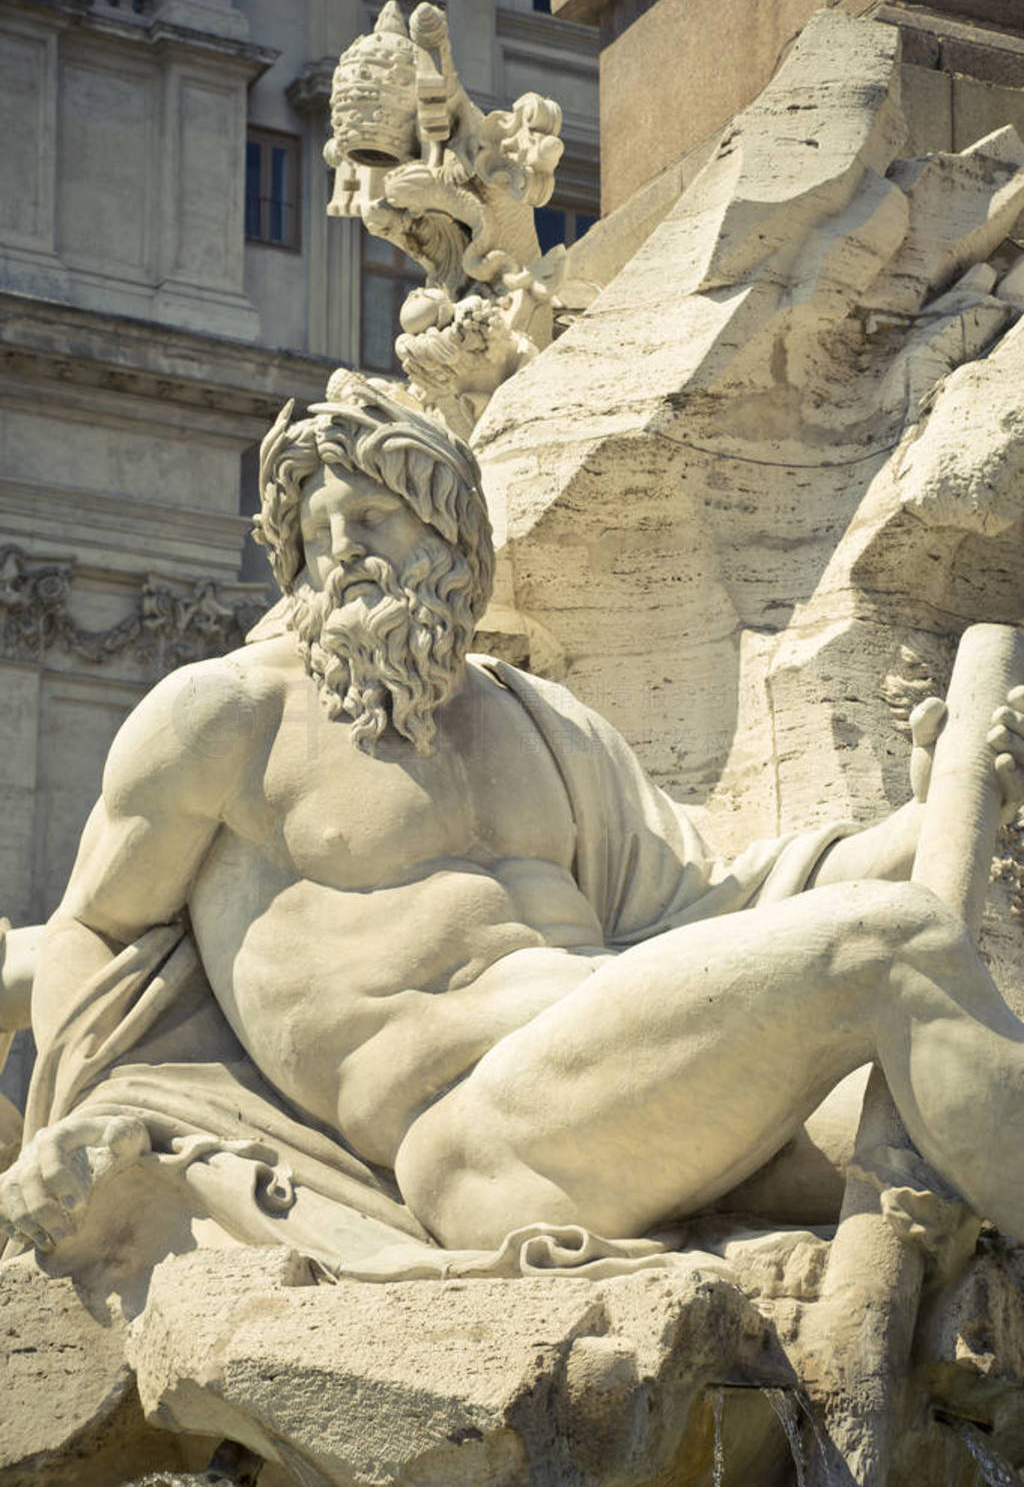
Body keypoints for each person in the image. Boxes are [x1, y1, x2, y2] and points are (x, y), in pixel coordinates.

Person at [1, 374, 1022, 1267]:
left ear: (451, 537)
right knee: (894, 945)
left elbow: (721, 902)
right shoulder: (226, 716)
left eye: (372, 522)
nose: (342, 556)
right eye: (316, 538)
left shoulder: (544, 723)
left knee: (955, 1111)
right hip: (476, 1139)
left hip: (629, 1080)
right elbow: (96, 928)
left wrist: (941, 811)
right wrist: (84, 1121)